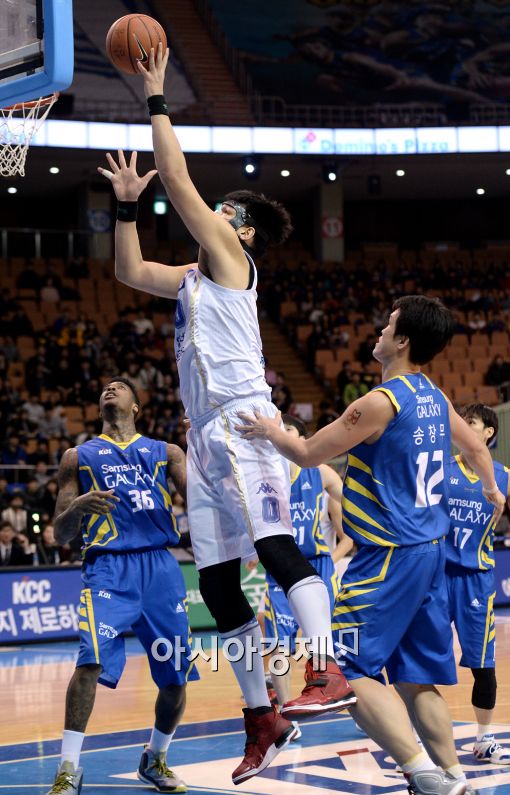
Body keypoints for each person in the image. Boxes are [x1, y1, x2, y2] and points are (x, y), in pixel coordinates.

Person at [97, 45, 355, 786]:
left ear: (241, 233)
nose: (216, 213)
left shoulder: (234, 264)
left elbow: (177, 184)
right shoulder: (190, 279)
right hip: (204, 438)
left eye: (228, 212)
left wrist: (154, 95)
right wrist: (123, 207)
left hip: (245, 425)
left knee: (274, 548)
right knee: (215, 585)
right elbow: (127, 271)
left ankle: (324, 665)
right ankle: (261, 716)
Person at [236, 295, 506, 795]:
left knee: (342, 670)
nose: (379, 330)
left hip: (389, 556)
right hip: (430, 552)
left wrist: (270, 428)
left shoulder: (380, 402)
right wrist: (492, 488)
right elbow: (473, 446)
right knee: (415, 679)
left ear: (402, 340)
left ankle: (422, 774)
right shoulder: (431, 392)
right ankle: (454, 777)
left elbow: (307, 450)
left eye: (388, 324)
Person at [46, 377, 198, 795]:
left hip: (161, 569)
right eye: (105, 388)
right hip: (108, 567)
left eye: (120, 387)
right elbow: (59, 534)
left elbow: (200, 504)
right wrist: (76, 506)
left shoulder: (166, 452)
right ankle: (67, 770)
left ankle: (155, 758)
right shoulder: (77, 457)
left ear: (137, 405)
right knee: (90, 662)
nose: (110, 390)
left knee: (175, 677)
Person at [263, 414, 349, 711]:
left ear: (301, 439)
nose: (280, 435)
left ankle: (345, 692)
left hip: (318, 565)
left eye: (287, 430)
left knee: (334, 638)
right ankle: (286, 708)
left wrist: (331, 557)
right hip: (280, 567)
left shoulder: (321, 472)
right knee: (278, 644)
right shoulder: (264, 477)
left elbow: (351, 510)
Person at [445, 403, 510, 765]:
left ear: (488, 433)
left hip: (477, 580)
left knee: (483, 665)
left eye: (471, 422)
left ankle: (484, 740)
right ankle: (416, 733)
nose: (463, 427)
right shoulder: (442, 468)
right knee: (420, 658)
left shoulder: (502, 476)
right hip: (435, 577)